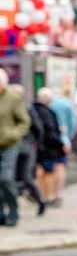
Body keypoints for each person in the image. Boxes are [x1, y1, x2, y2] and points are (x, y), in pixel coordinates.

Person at [0, 69, 31, 227]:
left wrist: (12, 134)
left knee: (6, 178)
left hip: (9, 145)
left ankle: (13, 211)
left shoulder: (13, 98)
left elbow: (24, 121)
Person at [12, 86, 46, 215]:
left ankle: (39, 199)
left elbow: (37, 127)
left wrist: (36, 143)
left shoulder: (26, 108)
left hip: (26, 147)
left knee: (25, 177)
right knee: (14, 178)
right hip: (17, 146)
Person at [32, 88, 67, 207]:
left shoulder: (34, 109)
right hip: (48, 147)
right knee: (48, 172)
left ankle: (38, 195)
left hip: (39, 146)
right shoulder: (45, 112)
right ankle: (47, 196)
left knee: (40, 171)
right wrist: (60, 144)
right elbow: (50, 131)